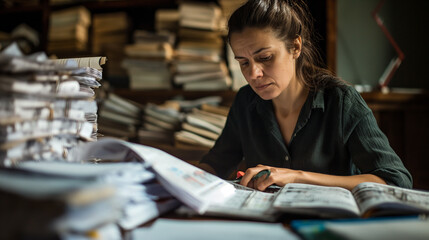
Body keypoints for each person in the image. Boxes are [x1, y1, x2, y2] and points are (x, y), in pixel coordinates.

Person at [198, 0, 412, 191]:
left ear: (295, 47)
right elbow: (216, 165)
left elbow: (396, 180)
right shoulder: (245, 102)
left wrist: (296, 177)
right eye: (243, 62)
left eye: (265, 57)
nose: (253, 74)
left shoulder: (341, 101)